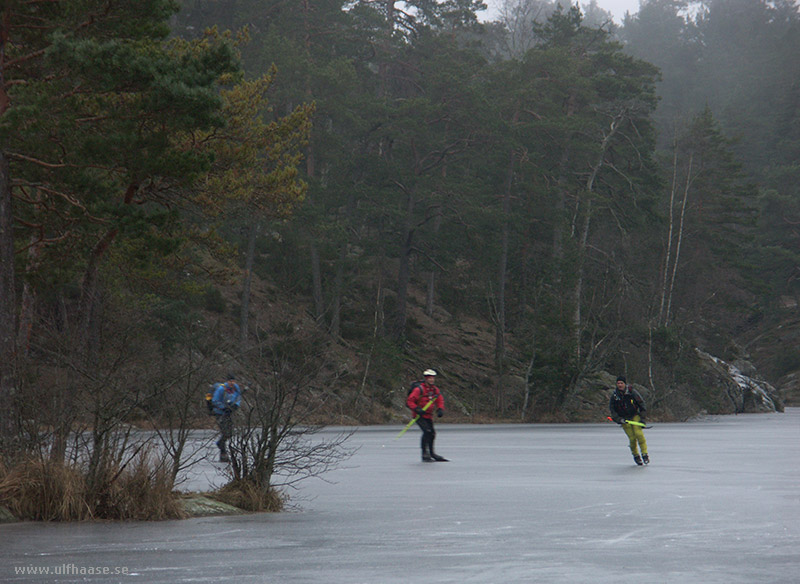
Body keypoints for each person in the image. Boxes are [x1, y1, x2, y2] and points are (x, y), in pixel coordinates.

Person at [406, 369, 447, 462]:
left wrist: (440, 409)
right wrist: (417, 409)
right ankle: (425, 453)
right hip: (419, 415)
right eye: (429, 378)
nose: (432, 380)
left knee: (432, 434)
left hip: (429, 415)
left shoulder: (434, 390)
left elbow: (440, 399)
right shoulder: (419, 389)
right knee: (427, 431)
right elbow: (409, 401)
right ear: (426, 379)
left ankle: (432, 453)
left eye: (433, 378)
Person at [609, 375, 649, 465]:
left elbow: (642, 404)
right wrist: (619, 419)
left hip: (635, 416)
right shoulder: (614, 396)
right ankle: (636, 456)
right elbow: (612, 410)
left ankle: (645, 454)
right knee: (632, 438)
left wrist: (642, 418)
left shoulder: (632, 392)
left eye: (621, 383)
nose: (620, 385)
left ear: (625, 384)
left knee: (639, 434)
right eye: (618, 383)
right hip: (624, 419)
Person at [211, 374, 241, 462]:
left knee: (230, 432)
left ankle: (221, 446)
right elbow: (215, 401)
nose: (232, 383)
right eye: (230, 381)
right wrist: (224, 407)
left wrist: (236, 405)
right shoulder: (221, 389)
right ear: (227, 381)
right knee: (225, 432)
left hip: (229, 413)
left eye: (233, 381)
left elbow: (238, 397)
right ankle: (223, 453)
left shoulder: (236, 388)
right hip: (220, 413)